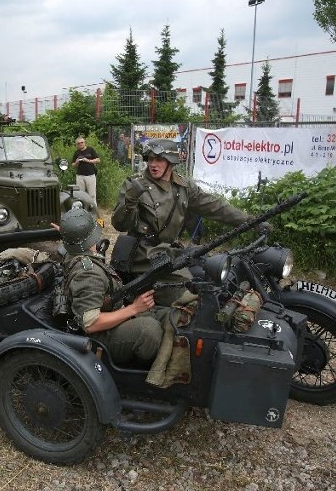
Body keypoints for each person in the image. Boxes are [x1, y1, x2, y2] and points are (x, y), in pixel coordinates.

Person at [112, 141, 255, 306]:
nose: (153, 164)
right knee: (189, 297)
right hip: (144, 256)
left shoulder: (183, 187)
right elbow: (119, 224)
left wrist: (249, 221)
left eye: (159, 159)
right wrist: (130, 200)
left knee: (214, 272)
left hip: (169, 251)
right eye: (150, 159)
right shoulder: (136, 184)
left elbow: (214, 207)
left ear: (171, 161)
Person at [59, 208, 163, 363]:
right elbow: (91, 323)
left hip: (110, 312)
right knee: (149, 330)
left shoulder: (74, 253)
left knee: (162, 314)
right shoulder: (88, 272)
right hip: (97, 337)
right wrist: (133, 309)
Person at [72, 136, 99, 204]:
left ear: (85, 143)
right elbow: (73, 165)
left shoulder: (90, 150)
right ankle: (82, 211)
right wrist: (77, 162)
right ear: (77, 145)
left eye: (82, 142)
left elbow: (98, 160)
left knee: (92, 194)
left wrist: (88, 160)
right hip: (80, 176)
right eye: (78, 143)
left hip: (90, 175)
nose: (80, 144)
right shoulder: (76, 153)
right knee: (80, 195)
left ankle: (93, 211)